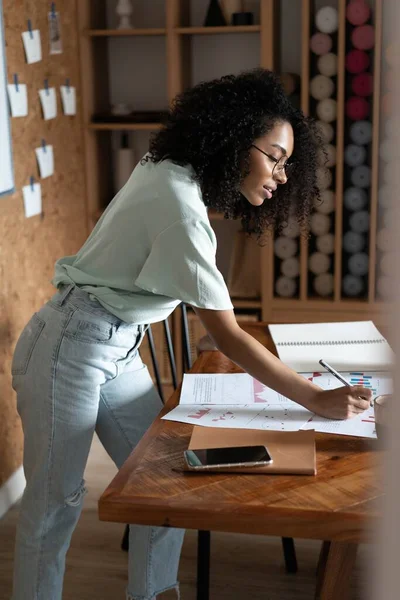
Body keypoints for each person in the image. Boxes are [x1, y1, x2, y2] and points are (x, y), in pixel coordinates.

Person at [11, 68, 372, 600]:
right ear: (232, 139)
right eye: (274, 156)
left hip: (113, 341)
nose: (282, 175)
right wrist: (317, 398)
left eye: (288, 163)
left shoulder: (173, 170)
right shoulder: (180, 209)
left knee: (163, 488)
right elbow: (228, 336)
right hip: (72, 344)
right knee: (52, 508)